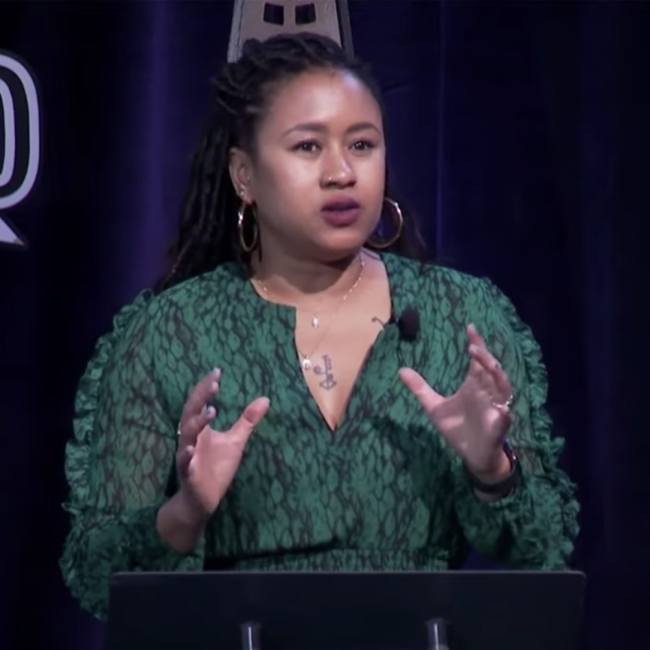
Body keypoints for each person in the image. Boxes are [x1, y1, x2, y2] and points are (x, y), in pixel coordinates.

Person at [59, 32, 579, 621]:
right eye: (308, 146)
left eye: (362, 144)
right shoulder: (170, 333)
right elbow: (98, 574)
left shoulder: (461, 317)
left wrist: (493, 472)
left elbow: (545, 548)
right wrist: (187, 511)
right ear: (244, 175)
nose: (341, 172)